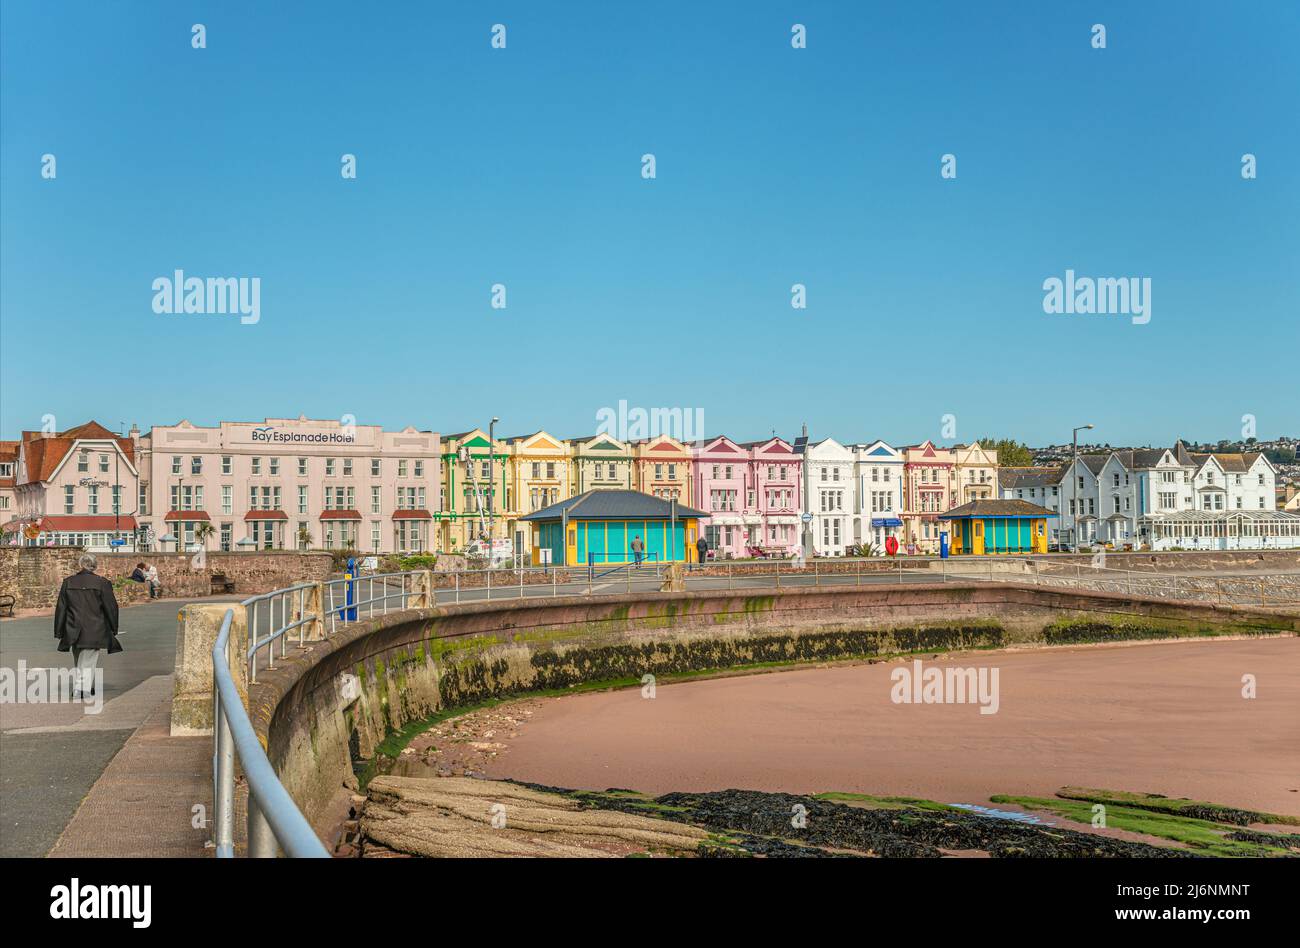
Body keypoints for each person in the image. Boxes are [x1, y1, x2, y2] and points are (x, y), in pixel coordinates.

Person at [53, 553, 122, 700]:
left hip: (73, 628)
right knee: (88, 661)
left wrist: (59, 631)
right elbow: (111, 607)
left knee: (79, 659)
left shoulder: (68, 582)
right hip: (94, 627)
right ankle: (81, 689)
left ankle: (84, 687)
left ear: (80, 565)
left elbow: (61, 608)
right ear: (94, 566)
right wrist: (113, 627)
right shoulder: (102, 582)